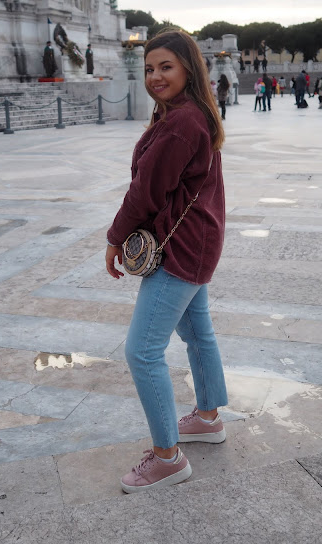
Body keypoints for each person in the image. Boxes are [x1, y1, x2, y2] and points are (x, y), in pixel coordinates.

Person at [105, 30, 228, 493]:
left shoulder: (181, 122)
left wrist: (115, 238)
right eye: (149, 68)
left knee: (142, 351)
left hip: (181, 248)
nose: (155, 76)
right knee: (198, 333)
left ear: (188, 69)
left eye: (166, 67)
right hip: (198, 239)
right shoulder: (189, 113)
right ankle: (208, 417)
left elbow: (145, 193)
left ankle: (167, 458)